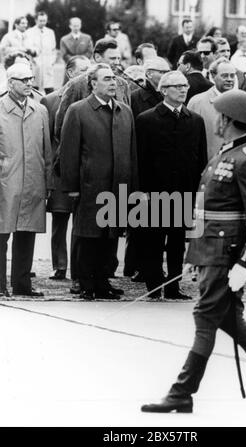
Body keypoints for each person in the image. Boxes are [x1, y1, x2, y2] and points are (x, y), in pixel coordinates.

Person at [141, 90, 246, 414]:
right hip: (210, 252)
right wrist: (194, 253)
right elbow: (207, 211)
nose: (215, 120)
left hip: (226, 257)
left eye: (218, 116)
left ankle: (181, 391)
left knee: (205, 315)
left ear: (227, 120)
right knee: (226, 317)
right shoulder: (224, 156)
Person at [59, 64, 137, 300]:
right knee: (88, 236)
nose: (113, 82)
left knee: (110, 236)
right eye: (106, 79)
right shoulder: (78, 110)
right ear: (93, 83)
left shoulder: (125, 111)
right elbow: (68, 153)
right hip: (90, 186)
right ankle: (86, 283)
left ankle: (103, 281)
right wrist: (71, 188)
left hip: (117, 187)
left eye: (114, 78)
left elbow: (132, 153)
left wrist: (133, 187)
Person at [136, 71, 207, 300]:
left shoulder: (195, 120)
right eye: (177, 86)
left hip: (184, 190)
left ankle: (174, 286)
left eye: (185, 85)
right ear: (163, 90)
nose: (183, 90)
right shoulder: (147, 119)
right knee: (153, 240)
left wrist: (199, 193)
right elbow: (140, 158)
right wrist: (142, 191)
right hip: (154, 191)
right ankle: (154, 285)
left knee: (177, 242)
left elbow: (201, 159)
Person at [0, 63, 52, 298]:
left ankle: (22, 284)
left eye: (31, 78)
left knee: (27, 232)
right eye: (23, 79)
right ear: (10, 83)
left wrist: (47, 181)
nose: (29, 83)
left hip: (33, 180)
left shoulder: (39, 110)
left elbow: (47, 150)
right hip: (6, 181)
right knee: (1, 234)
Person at [41, 56, 91, 291]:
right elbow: (49, 139)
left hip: (85, 168)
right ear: (71, 73)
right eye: (83, 70)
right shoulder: (50, 100)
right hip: (61, 169)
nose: (87, 75)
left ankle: (78, 267)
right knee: (60, 220)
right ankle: (59, 264)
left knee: (81, 221)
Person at [124, 57, 170, 282]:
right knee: (140, 220)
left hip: (164, 164)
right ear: (151, 73)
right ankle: (137, 265)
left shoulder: (167, 96)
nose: (167, 75)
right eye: (163, 72)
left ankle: (149, 266)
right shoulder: (136, 98)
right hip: (142, 163)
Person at [55, 38, 131, 140]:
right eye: (113, 58)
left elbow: (128, 122)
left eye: (118, 58)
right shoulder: (76, 85)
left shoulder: (123, 85)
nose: (117, 62)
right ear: (97, 57)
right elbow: (62, 127)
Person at [188, 58, 236, 160]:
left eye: (232, 75)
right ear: (213, 76)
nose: (229, 79)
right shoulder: (197, 102)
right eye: (224, 75)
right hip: (208, 165)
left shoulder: (241, 102)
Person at [26, 11, 56, 94]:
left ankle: (50, 106)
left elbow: (53, 49)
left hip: (47, 63)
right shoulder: (30, 32)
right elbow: (28, 48)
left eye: (44, 20)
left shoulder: (50, 32)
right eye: (40, 21)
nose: (43, 23)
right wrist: (33, 61)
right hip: (35, 63)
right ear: (36, 20)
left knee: (49, 88)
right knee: (34, 87)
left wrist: (52, 62)